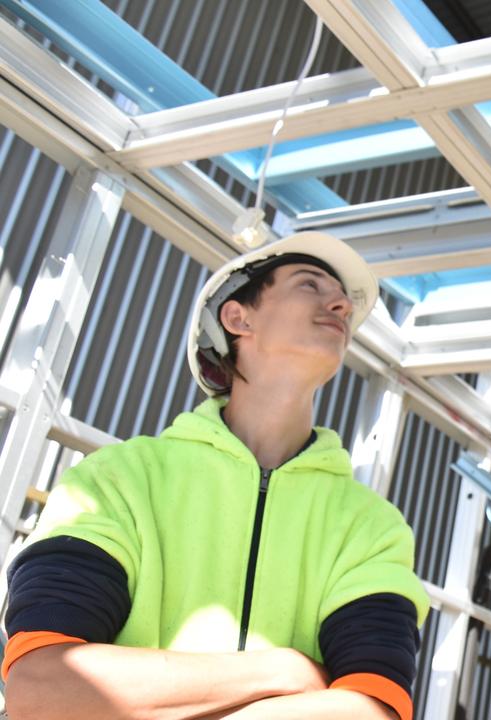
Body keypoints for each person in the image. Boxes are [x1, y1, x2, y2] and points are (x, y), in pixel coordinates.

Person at [1, 233, 429, 720]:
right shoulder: (116, 480)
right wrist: (282, 670)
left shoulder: (371, 526)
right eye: (309, 284)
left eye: (344, 303)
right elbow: (41, 689)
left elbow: (374, 708)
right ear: (237, 317)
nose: (339, 305)